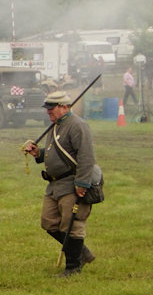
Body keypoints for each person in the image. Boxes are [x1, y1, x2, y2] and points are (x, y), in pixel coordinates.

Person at [23, 91, 98, 276]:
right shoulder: (55, 125)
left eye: (52, 108)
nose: (48, 112)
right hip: (54, 185)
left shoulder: (77, 125)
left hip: (72, 183)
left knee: (72, 226)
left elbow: (86, 157)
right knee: (48, 222)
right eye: (47, 108)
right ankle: (81, 253)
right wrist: (38, 153)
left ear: (64, 107)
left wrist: (82, 183)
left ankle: (73, 267)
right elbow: (55, 152)